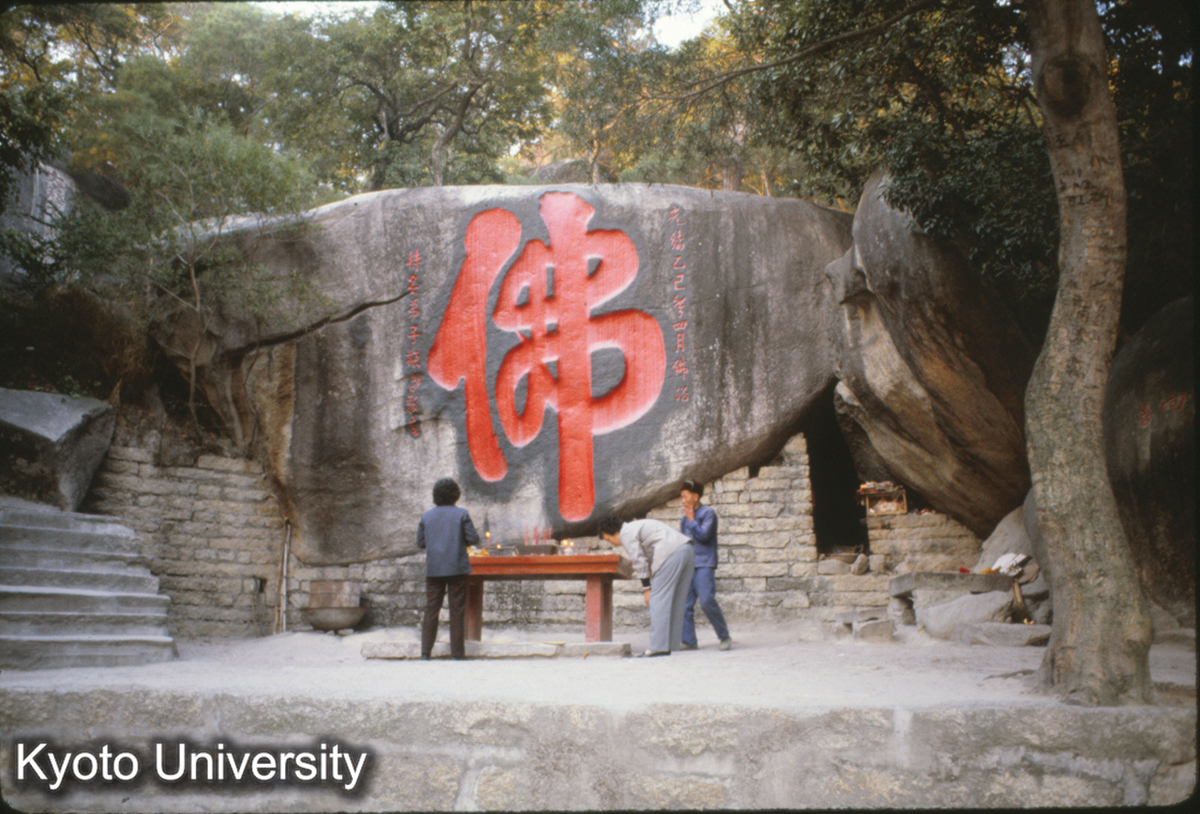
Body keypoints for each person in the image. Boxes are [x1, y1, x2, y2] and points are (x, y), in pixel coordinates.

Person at [598, 515, 695, 657]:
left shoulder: (626, 533)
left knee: (657, 599)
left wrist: (647, 589)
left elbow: (639, 561)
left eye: (608, 539)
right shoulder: (637, 526)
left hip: (670, 553)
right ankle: (672, 645)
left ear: (614, 531)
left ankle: (658, 647)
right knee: (676, 601)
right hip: (687, 550)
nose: (611, 543)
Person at [417, 477, 479, 660]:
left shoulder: (426, 516)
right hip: (457, 568)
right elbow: (473, 539)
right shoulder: (462, 514)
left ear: (435, 495)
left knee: (431, 610)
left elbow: (420, 542)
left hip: (434, 569)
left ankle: (425, 652)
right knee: (457, 611)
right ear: (456, 495)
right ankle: (457, 654)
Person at [679, 479, 732, 651]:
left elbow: (704, 536)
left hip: (704, 564)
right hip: (689, 565)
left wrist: (692, 520)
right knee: (684, 604)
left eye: (686, 496)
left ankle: (724, 636)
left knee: (706, 600)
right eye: (681, 497)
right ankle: (689, 641)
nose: (683, 501)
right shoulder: (683, 519)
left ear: (696, 496)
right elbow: (683, 542)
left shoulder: (708, 513)